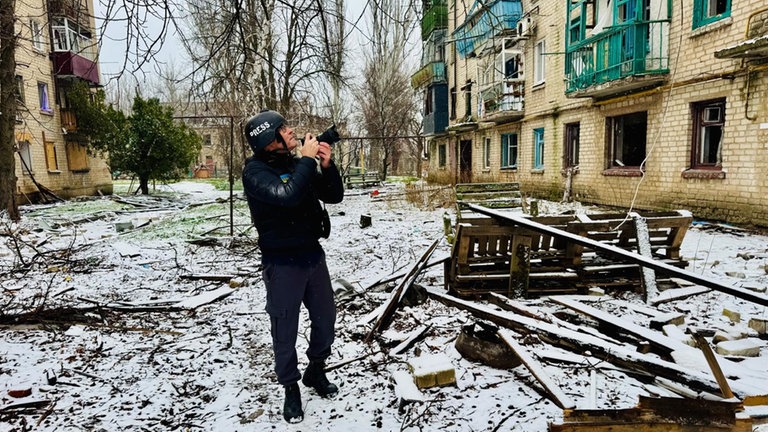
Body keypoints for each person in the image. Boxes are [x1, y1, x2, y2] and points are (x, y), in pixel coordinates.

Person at [242, 110, 344, 423]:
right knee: (284, 329)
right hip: (281, 262)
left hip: (312, 255)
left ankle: (316, 369)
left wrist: (326, 167)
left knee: (326, 318)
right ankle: (290, 387)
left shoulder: (295, 163)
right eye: (283, 128)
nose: (291, 131)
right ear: (267, 138)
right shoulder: (255, 172)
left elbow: (334, 196)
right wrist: (306, 161)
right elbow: (286, 195)